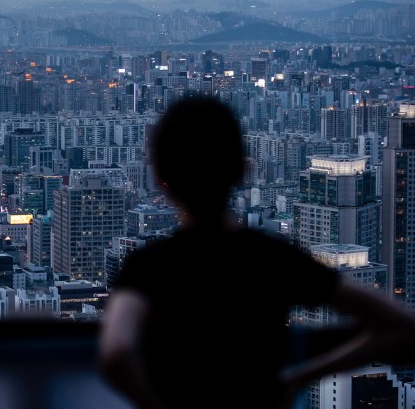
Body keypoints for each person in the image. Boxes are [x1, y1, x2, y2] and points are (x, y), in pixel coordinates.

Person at [98, 94, 415, 409]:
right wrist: (302, 376)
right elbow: (399, 324)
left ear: (159, 176)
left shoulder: (150, 265)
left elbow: (116, 352)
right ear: (242, 169)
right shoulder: (273, 258)